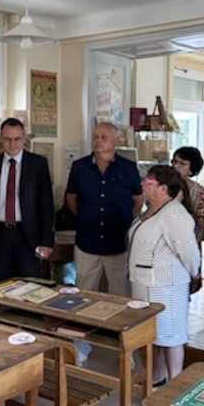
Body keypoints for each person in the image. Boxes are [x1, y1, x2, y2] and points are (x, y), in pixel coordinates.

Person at [65, 122, 142, 365]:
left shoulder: (128, 168)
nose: (99, 140)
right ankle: (81, 346)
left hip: (118, 243)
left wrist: (120, 221)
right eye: (96, 136)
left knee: (120, 298)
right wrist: (88, 219)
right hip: (87, 242)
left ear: (115, 141)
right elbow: (71, 199)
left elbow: (137, 201)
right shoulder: (79, 167)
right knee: (82, 296)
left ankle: (125, 350)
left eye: (104, 137)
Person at [127, 165, 201, 384]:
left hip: (166, 287)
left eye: (148, 182)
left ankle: (175, 382)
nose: (142, 184)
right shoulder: (150, 209)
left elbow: (188, 252)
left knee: (171, 335)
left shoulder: (175, 214)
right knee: (152, 336)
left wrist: (194, 273)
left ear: (163, 188)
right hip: (143, 285)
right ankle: (155, 376)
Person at [0, 118, 55, 282]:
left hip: (28, 236)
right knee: (0, 287)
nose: (12, 144)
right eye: (8, 139)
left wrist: (47, 241)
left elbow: (46, 206)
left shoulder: (38, 165)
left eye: (17, 139)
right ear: (0, 138)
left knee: (30, 288)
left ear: (24, 138)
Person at [171, 147, 204, 244]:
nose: (176, 166)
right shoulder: (163, 186)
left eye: (182, 163)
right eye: (174, 162)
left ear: (191, 169)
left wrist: (195, 243)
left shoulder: (199, 191)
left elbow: (201, 224)